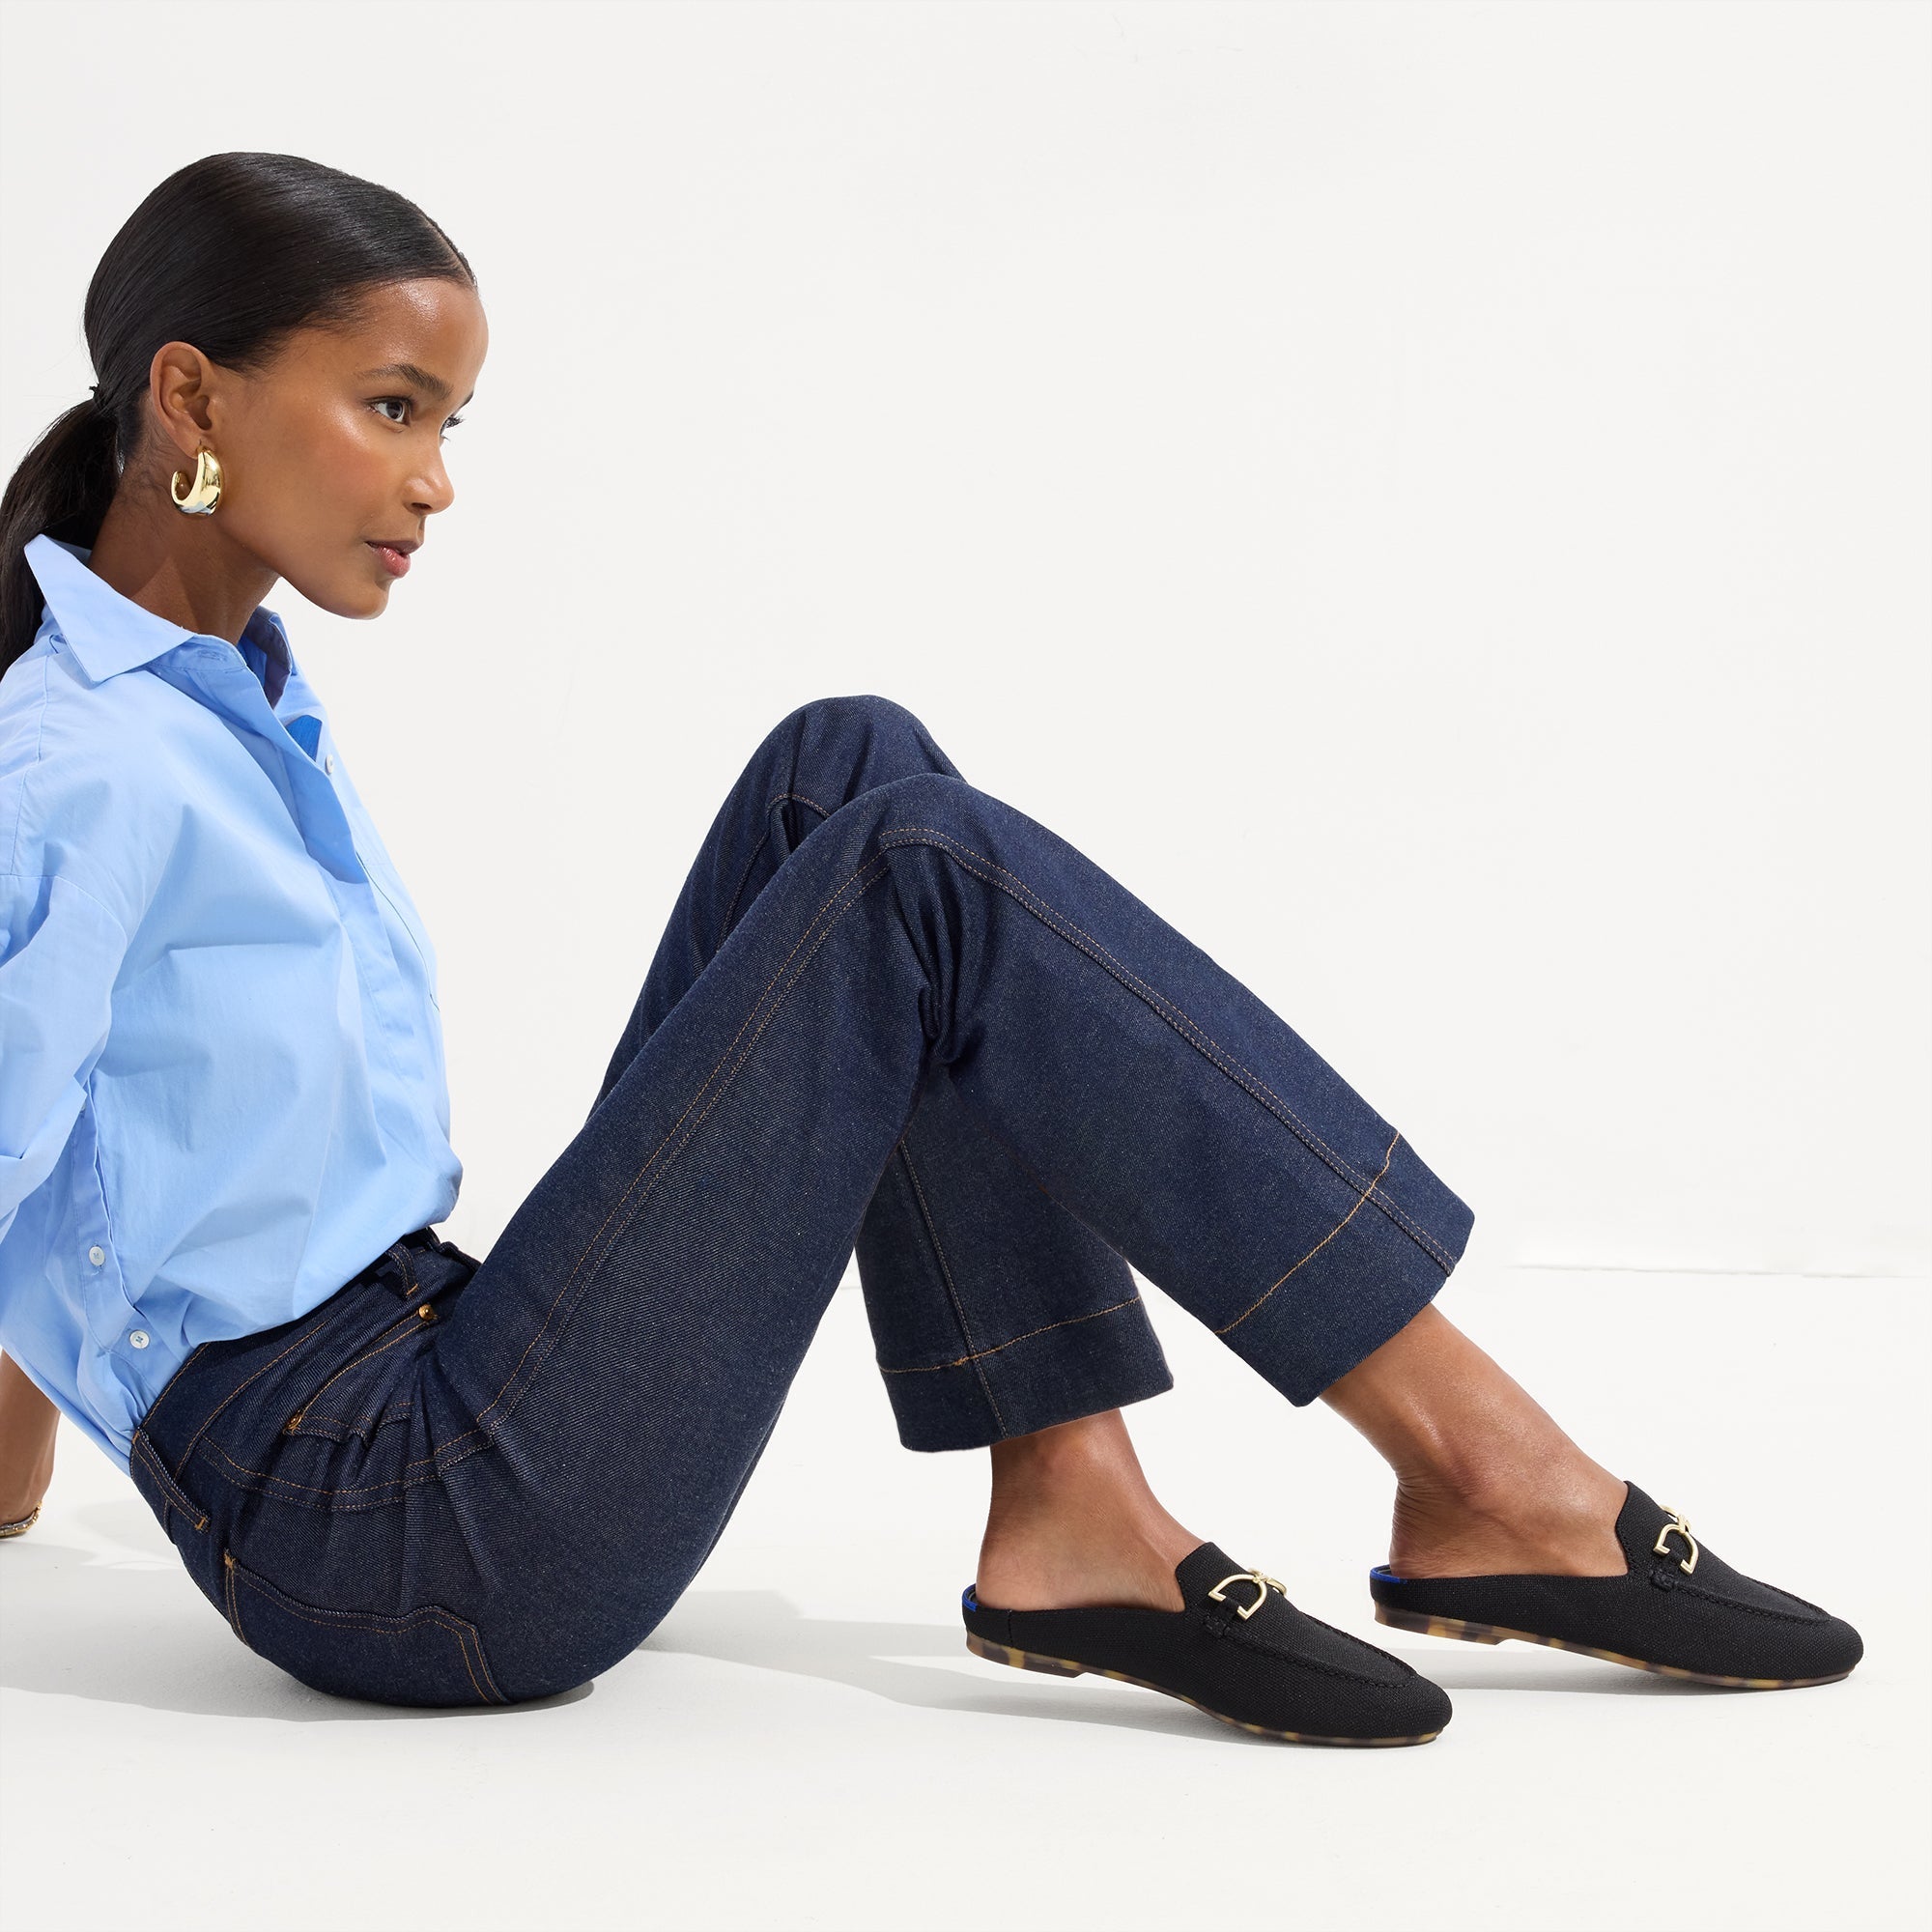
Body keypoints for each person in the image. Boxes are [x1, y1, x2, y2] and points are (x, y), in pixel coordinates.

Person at [0, 152, 1861, 1740]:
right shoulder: (75, 759)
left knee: (847, 775)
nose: (436, 483)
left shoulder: (219, 696)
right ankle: (1486, 1471)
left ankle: (1072, 1502)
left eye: (448, 425)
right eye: (391, 407)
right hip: (386, 1534)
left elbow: (82, 1116)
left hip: (429, 1366)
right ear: (193, 394)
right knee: (917, 871)